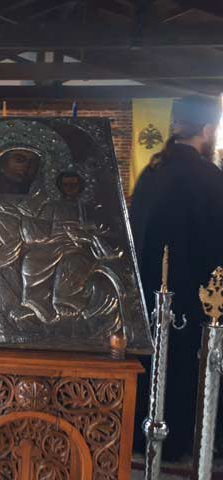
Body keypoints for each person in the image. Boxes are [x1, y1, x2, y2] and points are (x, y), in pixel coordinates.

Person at [130, 94, 223, 461]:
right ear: (207, 130)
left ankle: (141, 438)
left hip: (146, 296)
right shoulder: (209, 177)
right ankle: (177, 444)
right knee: (184, 370)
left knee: (152, 368)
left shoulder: (151, 173)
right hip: (193, 300)